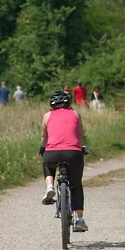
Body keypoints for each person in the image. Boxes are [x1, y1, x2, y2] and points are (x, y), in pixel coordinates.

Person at [39, 91, 89, 232]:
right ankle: (79, 220)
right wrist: (80, 149)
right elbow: (79, 137)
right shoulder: (75, 115)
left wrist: (43, 149)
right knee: (76, 185)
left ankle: (49, 187)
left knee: (47, 162)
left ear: (51, 105)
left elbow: (44, 137)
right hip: (73, 153)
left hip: (52, 154)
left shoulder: (47, 116)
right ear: (69, 104)